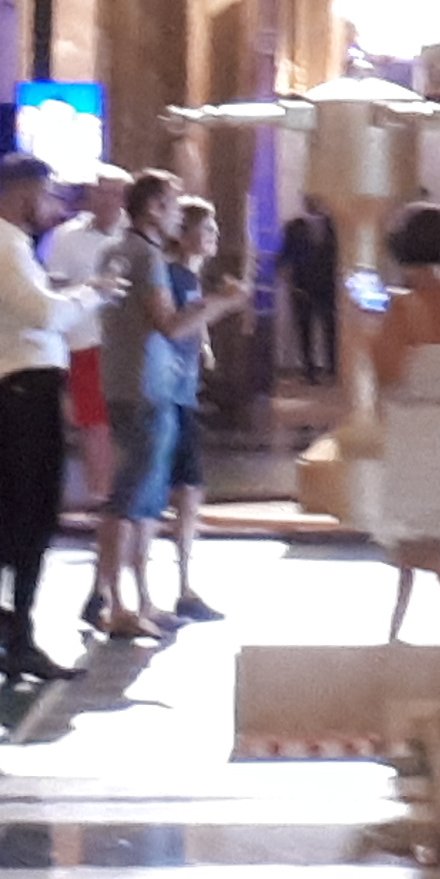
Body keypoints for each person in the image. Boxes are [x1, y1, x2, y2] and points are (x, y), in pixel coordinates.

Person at [0, 153, 100, 684]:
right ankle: (17, 636)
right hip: (24, 391)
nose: (53, 206)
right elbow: (46, 314)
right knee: (35, 515)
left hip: (10, 387)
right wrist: (95, 292)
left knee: (8, 515)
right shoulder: (3, 246)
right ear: (24, 195)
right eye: (46, 195)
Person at [366, 201, 440, 645]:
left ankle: (406, 635)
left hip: (414, 434)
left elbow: (389, 373)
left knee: (416, 544)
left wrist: (365, 334)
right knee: (437, 542)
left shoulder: (404, 308)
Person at [82, 170, 187, 645]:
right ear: (153, 208)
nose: (177, 215)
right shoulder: (147, 256)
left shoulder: (116, 250)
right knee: (129, 497)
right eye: (172, 205)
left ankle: (137, 598)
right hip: (145, 385)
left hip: (123, 379)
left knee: (143, 497)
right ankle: (116, 601)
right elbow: (169, 324)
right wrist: (220, 305)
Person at [152, 194, 246, 626]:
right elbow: (175, 324)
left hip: (182, 392)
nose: (214, 236)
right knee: (167, 493)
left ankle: (184, 583)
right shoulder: (170, 274)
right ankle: (148, 587)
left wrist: (205, 338)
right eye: (206, 228)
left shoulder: (188, 277)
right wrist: (221, 303)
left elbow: (193, 319)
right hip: (166, 393)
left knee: (189, 491)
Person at [41, 172, 124, 515]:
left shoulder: (134, 234)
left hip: (128, 342)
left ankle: (128, 493)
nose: (107, 200)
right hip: (85, 338)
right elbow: (52, 287)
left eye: (114, 193)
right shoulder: (66, 237)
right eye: (100, 192)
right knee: (94, 421)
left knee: (128, 420)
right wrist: (90, 289)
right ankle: (100, 494)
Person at [277, 202, 341, 383]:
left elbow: (342, 253)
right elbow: (285, 253)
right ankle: (309, 370)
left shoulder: (335, 225)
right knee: (304, 328)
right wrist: (285, 275)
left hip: (328, 284)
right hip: (301, 284)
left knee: (331, 328)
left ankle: (333, 368)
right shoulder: (294, 226)